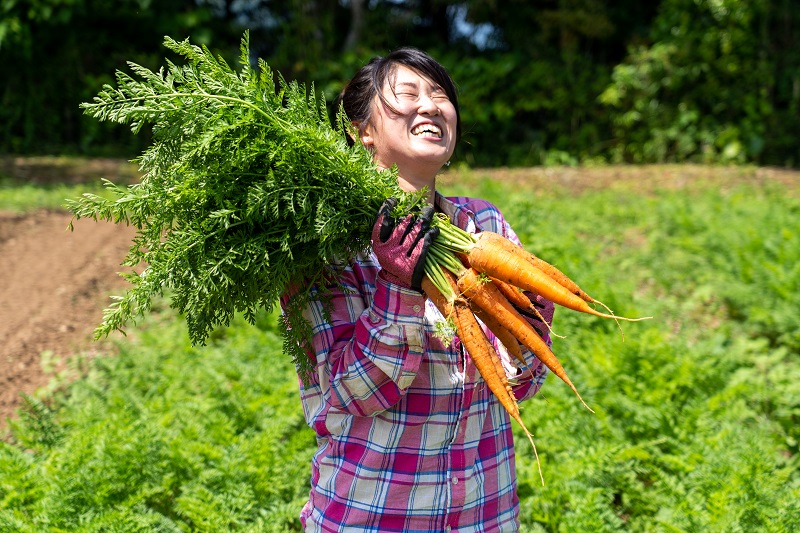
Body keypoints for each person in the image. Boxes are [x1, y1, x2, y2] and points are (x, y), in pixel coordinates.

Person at [280, 47, 555, 533]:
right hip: (373, 517)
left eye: (441, 95)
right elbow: (349, 394)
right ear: (361, 129)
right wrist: (398, 290)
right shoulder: (324, 243)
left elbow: (522, 383)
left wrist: (529, 328)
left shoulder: (483, 225)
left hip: (484, 515)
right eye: (408, 94)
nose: (430, 106)